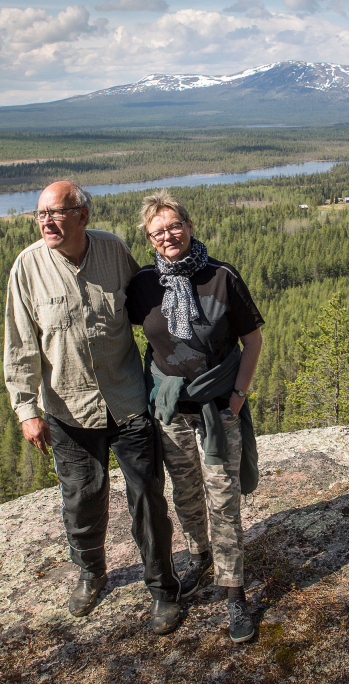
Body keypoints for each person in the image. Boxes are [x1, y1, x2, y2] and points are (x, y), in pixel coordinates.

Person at [3, 180, 186, 635]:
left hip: (127, 401)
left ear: (81, 215)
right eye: (40, 213)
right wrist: (27, 409)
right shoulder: (27, 267)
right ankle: (91, 573)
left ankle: (163, 588)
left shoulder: (113, 251)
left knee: (147, 496)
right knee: (82, 499)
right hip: (68, 408)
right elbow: (21, 343)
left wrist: (187, 358)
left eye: (56, 212)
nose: (46, 221)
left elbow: (150, 310)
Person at [126, 192, 264, 644]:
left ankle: (235, 594)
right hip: (170, 414)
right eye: (158, 231)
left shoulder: (221, 277)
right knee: (185, 495)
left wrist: (238, 397)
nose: (169, 235)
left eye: (174, 225)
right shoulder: (144, 283)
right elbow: (125, 336)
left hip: (217, 411)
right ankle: (200, 555)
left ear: (188, 224)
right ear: (149, 239)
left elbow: (253, 340)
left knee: (223, 500)